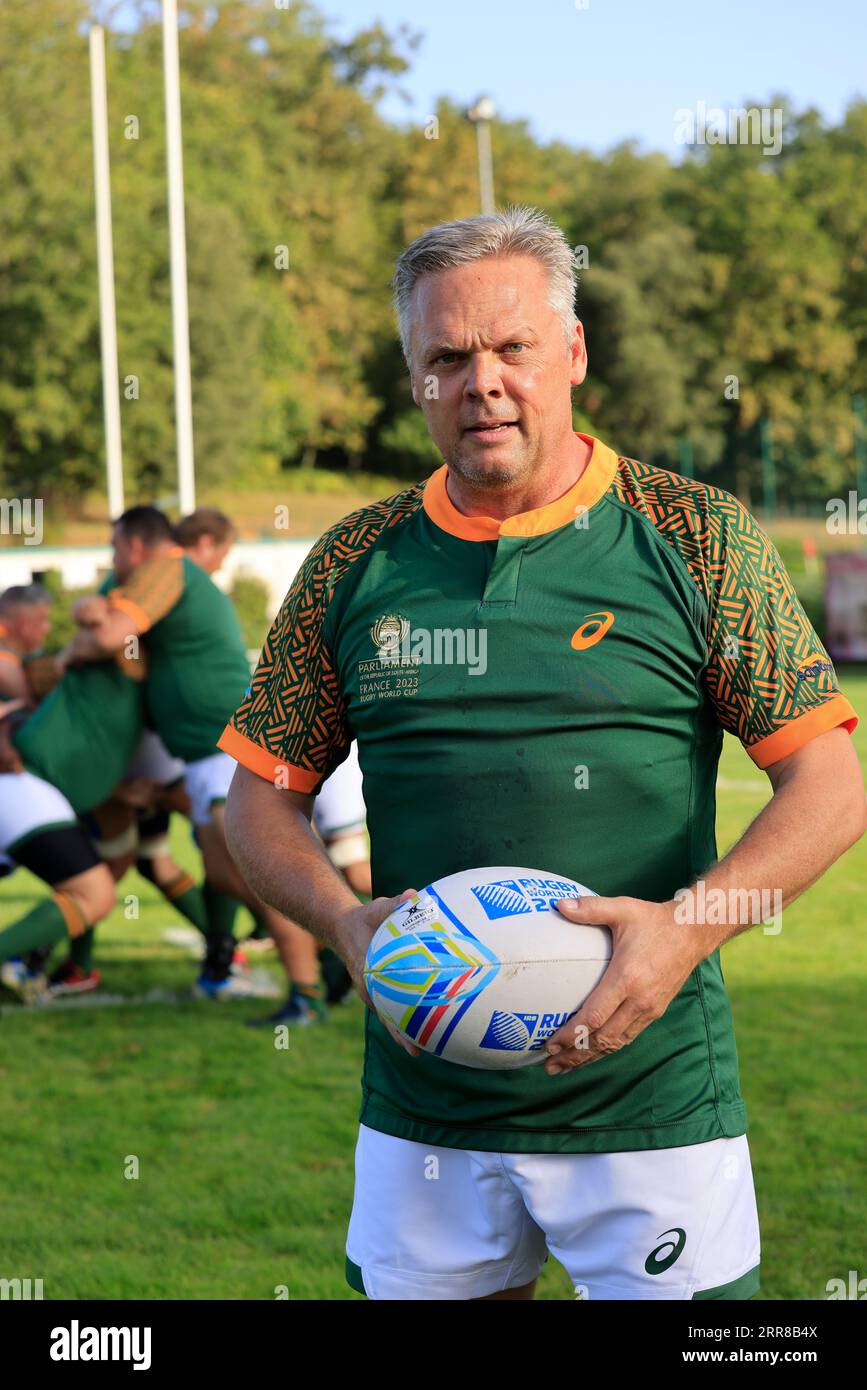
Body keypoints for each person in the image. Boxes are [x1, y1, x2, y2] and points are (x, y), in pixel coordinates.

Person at [219, 206, 865, 1302]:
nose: (483, 382)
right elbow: (258, 800)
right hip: (428, 1102)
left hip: (650, 1100)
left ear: (571, 352)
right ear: (416, 379)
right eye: (447, 357)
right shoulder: (354, 563)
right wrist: (339, 922)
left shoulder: (696, 534)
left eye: (512, 346)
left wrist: (681, 934)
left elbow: (832, 785)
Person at [61, 505, 321, 1002]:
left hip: (228, 752)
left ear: (136, 545)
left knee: (264, 880)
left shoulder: (166, 569)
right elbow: (103, 622)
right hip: (207, 756)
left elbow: (108, 636)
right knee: (226, 876)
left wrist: (78, 642)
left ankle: (311, 986)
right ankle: (316, 960)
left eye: (115, 547)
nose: (113, 558)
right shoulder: (157, 579)